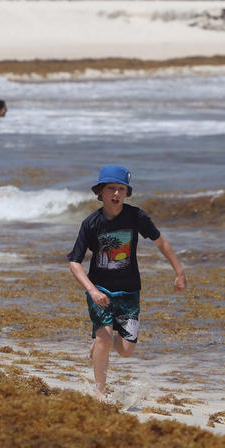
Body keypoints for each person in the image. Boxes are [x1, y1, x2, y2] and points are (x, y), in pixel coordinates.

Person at [68, 165, 186, 402]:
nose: (116, 194)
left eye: (121, 189)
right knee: (103, 336)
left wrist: (179, 271)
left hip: (130, 290)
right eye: (111, 188)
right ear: (100, 191)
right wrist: (91, 290)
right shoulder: (90, 224)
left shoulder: (136, 217)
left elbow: (160, 242)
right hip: (100, 289)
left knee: (126, 350)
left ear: (127, 192)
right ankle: (99, 393)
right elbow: (74, 262)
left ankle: (100, 345)